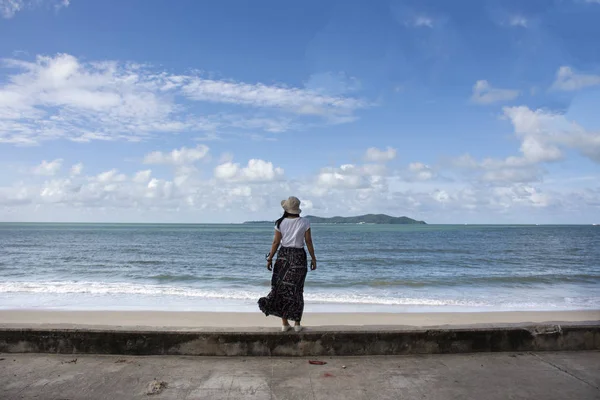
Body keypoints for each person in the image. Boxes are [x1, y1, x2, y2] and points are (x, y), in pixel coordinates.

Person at [258, 196, 317, 332]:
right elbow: (308, 241)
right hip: (299, 257)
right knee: (297, 289)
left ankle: (284, 324)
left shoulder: (280, 223)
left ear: (286, 209)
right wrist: (313, 258)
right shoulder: (305, 222)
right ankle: (297, 324)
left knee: (281, 289)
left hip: (283, 257)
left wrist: (270, 258)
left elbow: (276, 242)